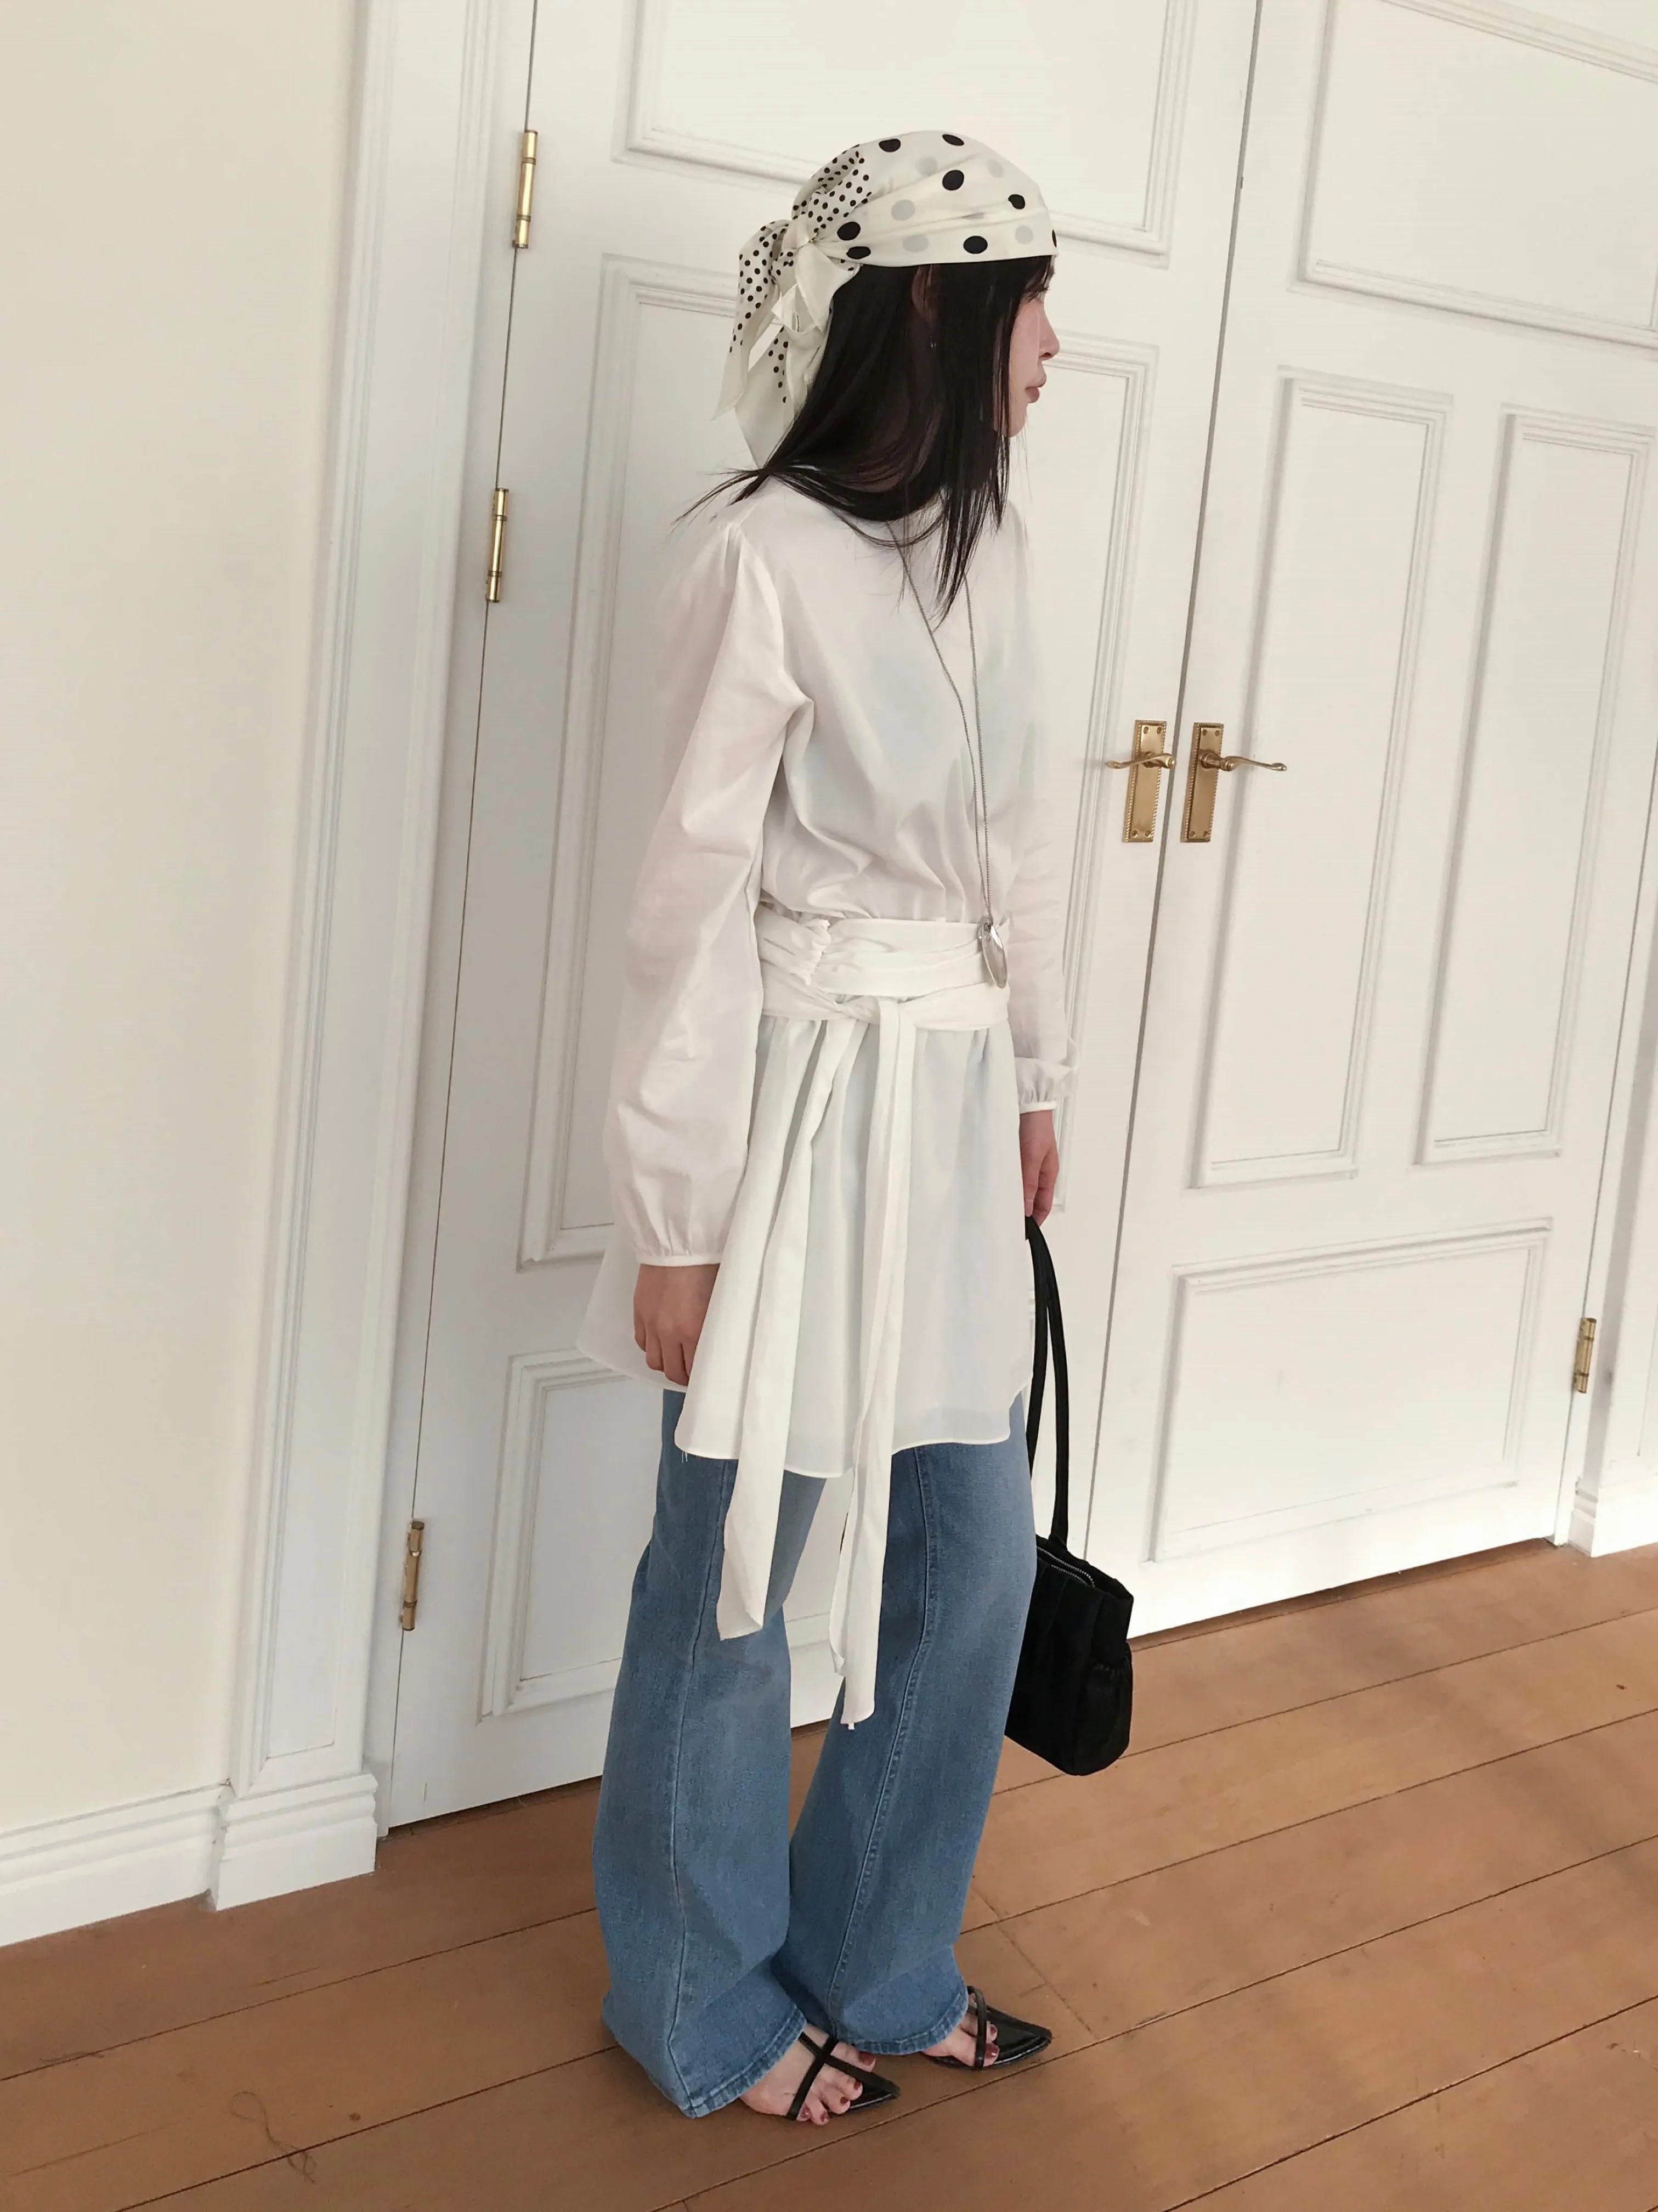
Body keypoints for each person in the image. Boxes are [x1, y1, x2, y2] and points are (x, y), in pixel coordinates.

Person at [575, 129, 1072, 2128]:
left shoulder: (991, 549)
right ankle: (695, 1995)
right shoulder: (758, 555)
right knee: (728, 1574)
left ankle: (880, 1955)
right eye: (1034, 303)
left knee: (974, 1561)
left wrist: (1032, 1079)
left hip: (948, 1104)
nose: (1055, 347)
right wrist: (675, 1217)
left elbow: (1022, 854)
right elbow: (682, 909)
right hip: (792, 1115)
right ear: (939, 305)